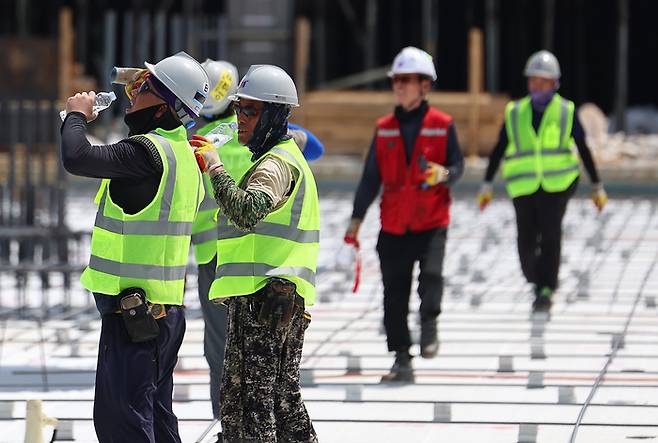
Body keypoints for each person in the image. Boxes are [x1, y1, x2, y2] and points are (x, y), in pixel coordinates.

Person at [60, 51, 209, 443]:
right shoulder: (183, 155)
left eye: (143, 88)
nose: (131, 94)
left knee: (123, 424)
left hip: (136, 318)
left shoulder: (147, 152)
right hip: (161, 314)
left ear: (162, 109)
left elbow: (77, 157)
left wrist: (76, 115)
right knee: (156, 420)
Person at [191, 60, 325, 432]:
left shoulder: (275, 164)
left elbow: (248, 211)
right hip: (264, 296)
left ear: (274, 115)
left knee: (252, 406)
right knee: (278, 401)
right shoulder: (280, 153)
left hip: (265, 301)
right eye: (238, 108)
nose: (241, 118)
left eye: (250, 110)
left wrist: (215, 167)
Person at [345, 47, 464, 383]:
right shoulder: (384, 129)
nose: (399, 86)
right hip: (394, 225)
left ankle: (429, 323)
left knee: (432, 280)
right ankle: (401, 358)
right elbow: (371, 178)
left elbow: (458, 165)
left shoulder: (443, 125)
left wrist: (444, 174)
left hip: (431, 223)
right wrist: (356, 220)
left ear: (425, 85)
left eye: (407, 80)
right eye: (397, 80)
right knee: (393, 297)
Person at [477, 50, 607, 311]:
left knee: (550, 234)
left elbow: (582, 147)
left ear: (554, 83)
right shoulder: (515, 112)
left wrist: (596, 185)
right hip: (523, 185)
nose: (537, 85)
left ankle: (546, 288)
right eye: (533, 80)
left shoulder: (565, 111)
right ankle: (536, 278)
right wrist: (487, 184)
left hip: (557, 185)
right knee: (526, 242)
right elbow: (500, 147)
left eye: (542, 80)